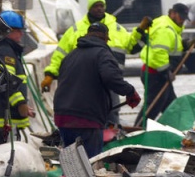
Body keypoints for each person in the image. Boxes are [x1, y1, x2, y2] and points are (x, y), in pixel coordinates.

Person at [40, 0, 135, 124]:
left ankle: (110, 137)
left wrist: (140, 32)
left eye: (101, 5)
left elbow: (132, 45)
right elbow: (60, 54)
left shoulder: (117, 28)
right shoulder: (75, 29)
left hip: (111, 81)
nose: (99, 8)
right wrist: (50, 74)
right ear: (89, 8)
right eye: (96, 5)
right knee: (90, 113)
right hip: (87, 82)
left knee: (111, 113)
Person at [53, 23, 141, 158]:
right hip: (86, 118)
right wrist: (130, 91)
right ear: (106, 39)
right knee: (91, 162)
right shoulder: (102, 53)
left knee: (72, 162)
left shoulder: (70, 56)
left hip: (63, 116)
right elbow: (111, 77)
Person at [0, 10, 34, 145]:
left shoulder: (5, 50)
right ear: (8, 31)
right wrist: (20, 103)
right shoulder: (5, 51)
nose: (21, 34)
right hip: (2, 118)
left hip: (4, 117)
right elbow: (5, 80)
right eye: (18, 30)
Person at [132, 3, 189, 120]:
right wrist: (166, 71)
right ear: (172, 13)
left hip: (158, 74)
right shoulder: (166, 29)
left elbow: (169, 46)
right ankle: (137, 132)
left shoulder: (168, 25)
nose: (182, 20)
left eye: (184, 17)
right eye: (181, 16)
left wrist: (184, 45)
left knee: (172, 107)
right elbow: (159, 52)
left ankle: (176, 131)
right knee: (152, 108)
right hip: (156, 75)